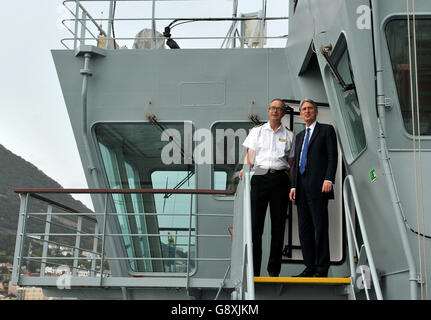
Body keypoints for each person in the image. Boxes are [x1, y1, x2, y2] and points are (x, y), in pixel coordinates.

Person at [239, 98, 294, 277]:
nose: (275, 111)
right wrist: (244, 170)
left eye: (278, 109)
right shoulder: (257, 132)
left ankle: (273, 270)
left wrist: (293, 185)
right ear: (268, 111)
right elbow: (250, 156)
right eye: (272, 108)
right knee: (256, 227)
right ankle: (254, 271)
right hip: (260, 176)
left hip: (280, 179)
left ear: (283, 113)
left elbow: (291, 163)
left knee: (278, 227)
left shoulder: (290, 135)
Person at [289, 99, 338, 278]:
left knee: (320, 228)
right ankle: (309, 267)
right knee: (305, 231)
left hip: (319, 187)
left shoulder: (326, 130)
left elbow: (333, 157)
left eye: (310, 109)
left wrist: (329, 179)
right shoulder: (299, 136)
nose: (307, 111)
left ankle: (321, 268)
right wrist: (293, 186)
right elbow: (295, 164)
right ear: (301, 114)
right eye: (304, 109)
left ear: (316, 112)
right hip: (301, 190)